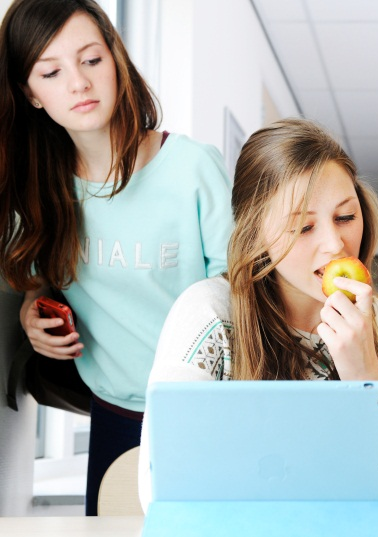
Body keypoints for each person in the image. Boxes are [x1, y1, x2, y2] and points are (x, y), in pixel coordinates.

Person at [138, 119, 378, 532]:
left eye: (346, 216)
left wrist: (367, 377)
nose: (335, 245)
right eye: (303, 226)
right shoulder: (208, 314)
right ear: (255, 235)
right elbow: (161, 487)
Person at [0, 0, 233, 515]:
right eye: (51, 71)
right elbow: (36, 276)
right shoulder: (39, 188)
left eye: (91, 59)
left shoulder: (193, 168)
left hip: (210, 414)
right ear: (31, 95)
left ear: (116, 60)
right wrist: (32, 310)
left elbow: (238, 295)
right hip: (115, 419)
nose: (78, 83)